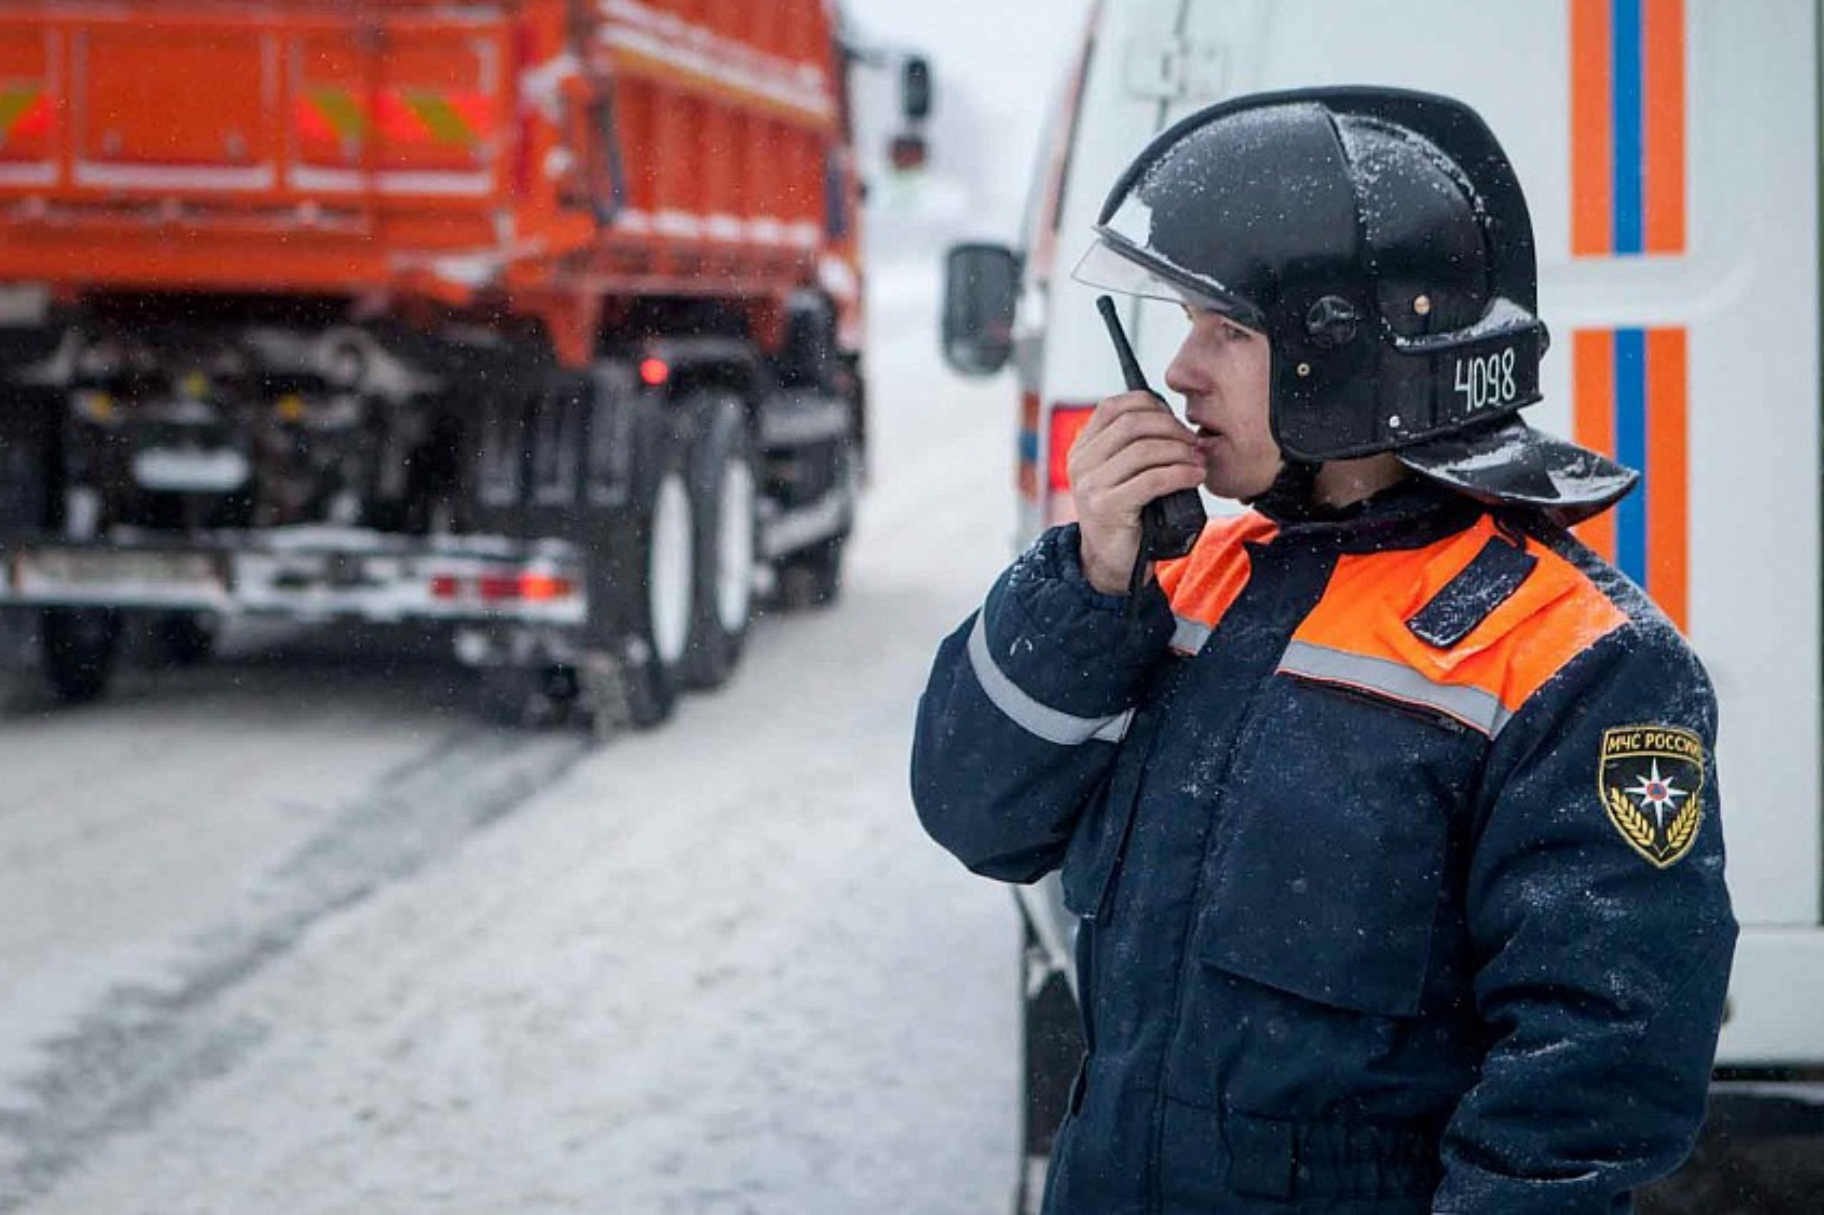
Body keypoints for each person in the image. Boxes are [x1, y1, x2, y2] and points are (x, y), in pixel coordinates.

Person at [911, 88, 1736, 1214]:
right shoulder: (1185, 576)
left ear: (1347, 358)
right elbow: (977, 814)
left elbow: (1591, 1084)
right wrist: (1096, 579)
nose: (1184, 370)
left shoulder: (1572, 657)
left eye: (1229, 332)